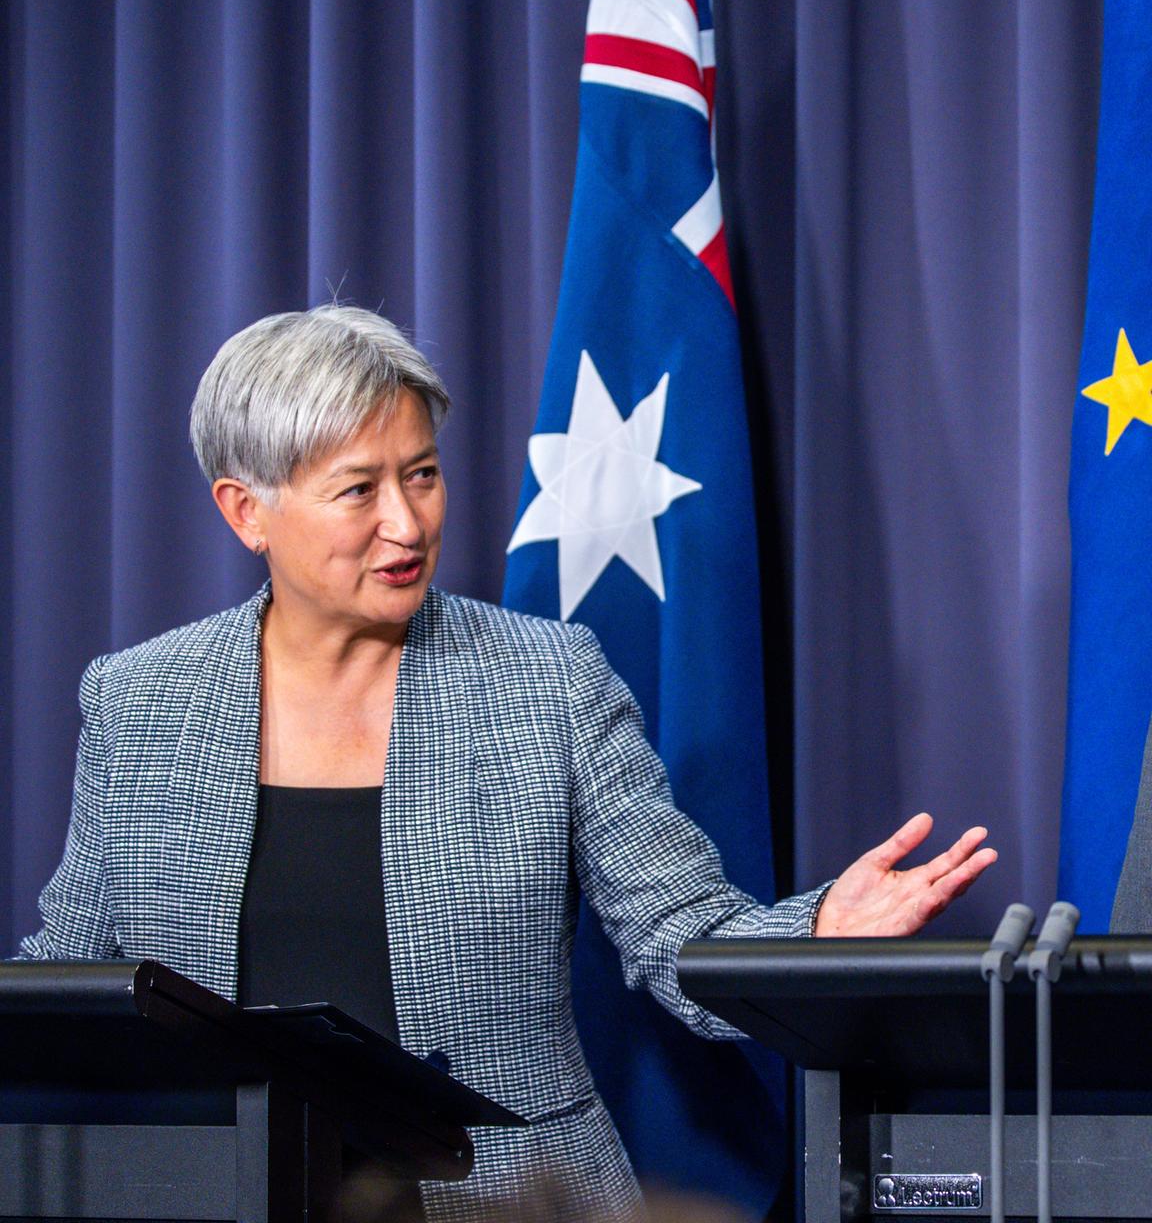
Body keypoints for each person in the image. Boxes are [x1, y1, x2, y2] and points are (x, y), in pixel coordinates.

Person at [17, 306, 996, 1222]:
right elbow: (69, 977)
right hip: (223, 1196)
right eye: (359, 489)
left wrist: (817, 931)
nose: (408, 523)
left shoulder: (548, 681)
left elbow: (679, 935)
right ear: (247, 512)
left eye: (424, 474)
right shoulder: (138, 701)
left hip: (516, 1198)